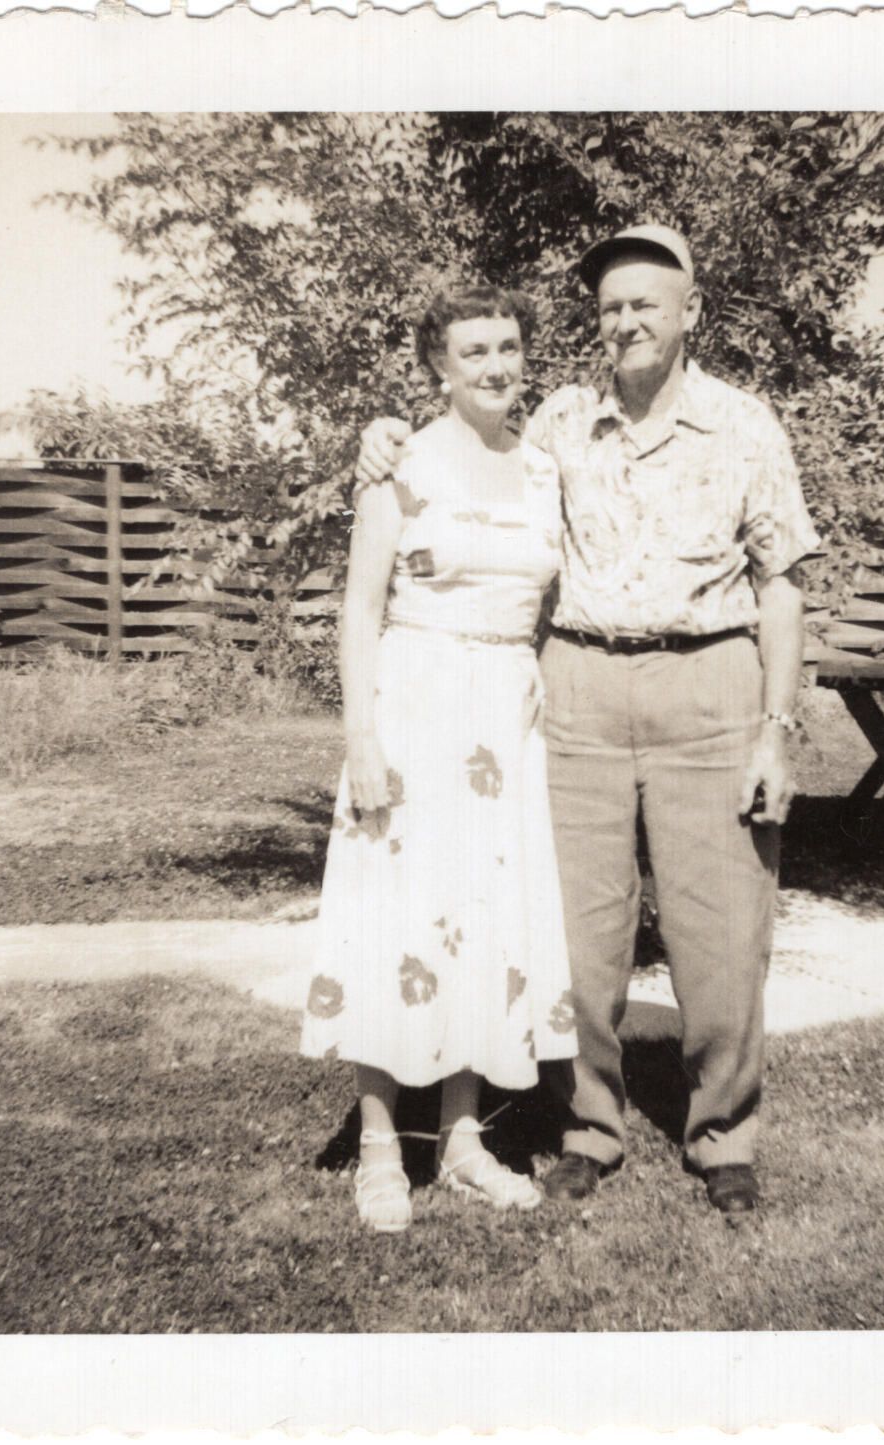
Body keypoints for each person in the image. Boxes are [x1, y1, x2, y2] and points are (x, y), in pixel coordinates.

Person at [356, 226, 821, 1216]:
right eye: (611, 306)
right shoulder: (559, 423)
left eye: (646, 301)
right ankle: (588, 1127)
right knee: (578, 929)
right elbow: (464, 445)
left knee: (722, 926)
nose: (626, 320)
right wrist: (382, 434)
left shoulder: (746, 426)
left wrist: (776, 728)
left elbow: (781, 584)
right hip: (578, 686)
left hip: (710, 682)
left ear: (692, 311)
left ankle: (722, 1134)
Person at [301, 284, 577, 1233]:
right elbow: (358, 608)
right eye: (474, 352)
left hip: (504, 717)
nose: (496, 366)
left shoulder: (542, 470)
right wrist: (360, 738)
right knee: (396, 913)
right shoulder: (400, 464)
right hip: (415, 706)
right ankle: (381, 1144)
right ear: (438, 368)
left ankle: (462, 1139)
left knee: (483, 915)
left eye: (508, 346)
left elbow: (547, 596)